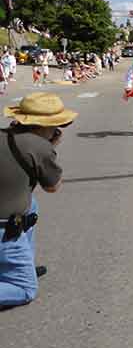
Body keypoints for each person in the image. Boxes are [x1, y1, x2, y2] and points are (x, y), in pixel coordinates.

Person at [1, 93, 76, 307]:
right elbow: (53, 186)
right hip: (3, 229)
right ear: (45, 127)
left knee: (30, 205)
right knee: (25, 290)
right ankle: (18, 275)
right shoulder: (39, 147)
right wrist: (50, 148)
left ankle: (22, 264)